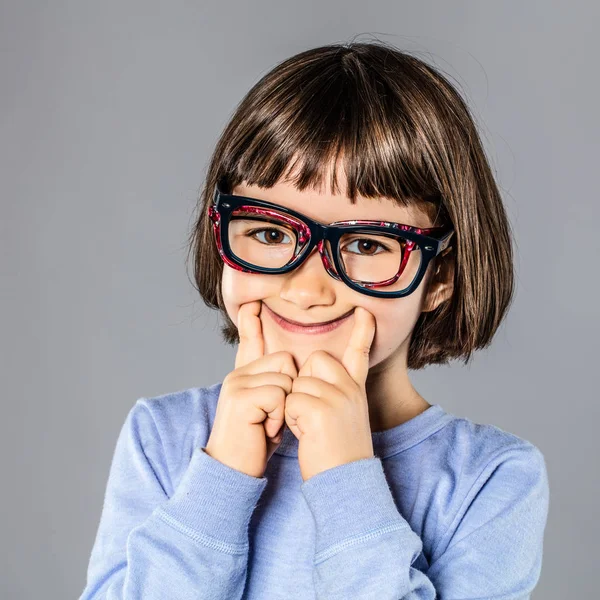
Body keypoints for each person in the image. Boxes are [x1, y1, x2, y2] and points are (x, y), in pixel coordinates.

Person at [80, 40, 549, 599]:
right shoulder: (162, 439)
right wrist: (222, 477)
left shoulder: (493, 481)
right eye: (271, 234)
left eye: (368, 244)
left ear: (440, 277)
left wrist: (345, 480)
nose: (306, 288)